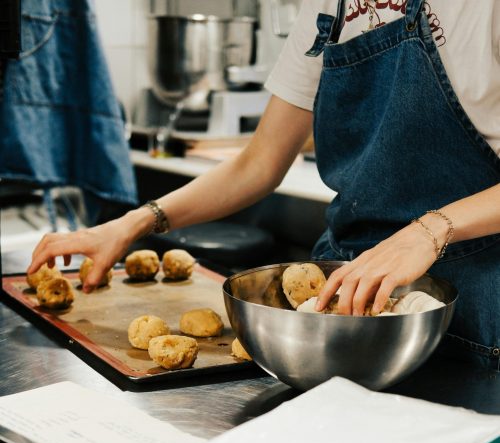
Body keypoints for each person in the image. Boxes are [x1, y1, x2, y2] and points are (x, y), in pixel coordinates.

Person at [28, 0, 500, 369]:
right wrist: (130, 224)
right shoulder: (327, 10)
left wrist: (429, 230)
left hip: (474, 321)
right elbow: (258, 163)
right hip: (336, 312)